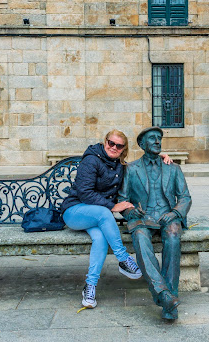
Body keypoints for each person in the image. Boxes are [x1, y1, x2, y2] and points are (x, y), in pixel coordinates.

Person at [60, 129, 171, 309]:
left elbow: (139, 168)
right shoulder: (91, 160)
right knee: (105, 213)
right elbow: (84, 192)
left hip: (95, 219)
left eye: (118, 146)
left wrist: (161, 158)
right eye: (110, 143)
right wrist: (112, 206)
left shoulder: (120, 166)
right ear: (105, 142)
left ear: (123, 149)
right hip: (75, 211)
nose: (113, 147)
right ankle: (123, 259)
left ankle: (90, 286)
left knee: (100, 239)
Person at [118, 127, 192, 321]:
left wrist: (175, 212)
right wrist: (131, 211)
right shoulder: (131, 169)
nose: (157, 141)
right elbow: (123, 199)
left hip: (168, 216)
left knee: (174, 236)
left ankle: (169, 298)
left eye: (159, 138)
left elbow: (185, 197)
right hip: (143, 218)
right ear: (142, 144)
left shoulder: (173, 168)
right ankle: (165, 296)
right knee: (141, 240)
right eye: (152, 138)